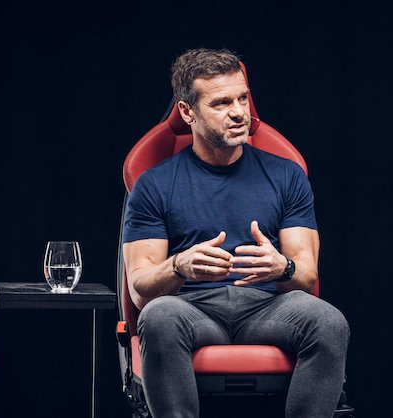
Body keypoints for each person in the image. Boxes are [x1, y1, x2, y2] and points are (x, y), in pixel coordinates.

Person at [122, 48, 350, 418]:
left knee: (329, 321)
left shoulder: (286, 175)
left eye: (242, 98)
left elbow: (306, 276)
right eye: (221, 103)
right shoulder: (154, 185)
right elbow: (140, 290)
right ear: (187, 112)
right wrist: (178, 265)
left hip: (267, 307)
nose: (239, 112)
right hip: (192, 309)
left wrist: (283, 267)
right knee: (158, 315)